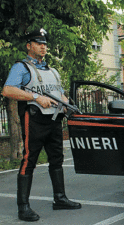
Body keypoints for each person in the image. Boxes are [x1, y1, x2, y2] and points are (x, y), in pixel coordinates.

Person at [1, 28, 81, 222]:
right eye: (39, 43)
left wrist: (66, 105)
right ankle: (23, 207)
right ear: (29, 46)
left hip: (54, 121)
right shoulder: (21, 67)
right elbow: (8, 90)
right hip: (34, 120)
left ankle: (60, 199)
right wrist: (36, 97)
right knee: (29, 160)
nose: (43, 47)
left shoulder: (52, 70)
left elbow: (60, 93)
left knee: (57, 159)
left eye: (45, 44)